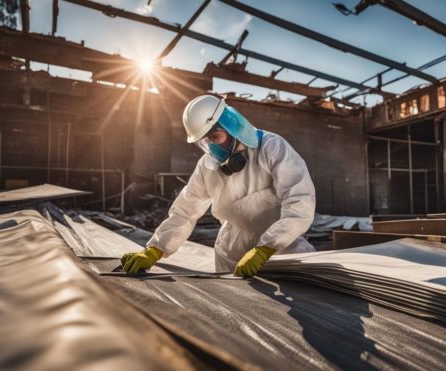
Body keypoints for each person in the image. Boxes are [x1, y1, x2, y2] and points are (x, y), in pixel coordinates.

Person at [121, 95, 316, 277]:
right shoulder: (207, 166)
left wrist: (266, 247)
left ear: (232, 126)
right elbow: (185, 212)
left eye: (215, 137)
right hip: (231, 250)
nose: (211, 147)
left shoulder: (272, 148)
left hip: (283, 247)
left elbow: (300, 203)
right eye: (204, 142)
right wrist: (155, 249)